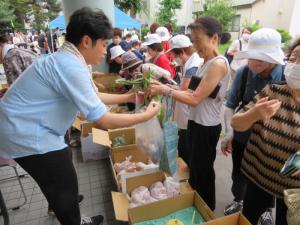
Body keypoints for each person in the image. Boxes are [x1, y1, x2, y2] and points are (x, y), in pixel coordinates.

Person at [0, 7, 160, 225]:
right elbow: (103, 120)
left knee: (63, 175)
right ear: (87, 41)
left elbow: (94, 96)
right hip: (26, 134)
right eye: (104, 44)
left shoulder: (68, 59)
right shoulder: (70, 65)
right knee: (65, 189)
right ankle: (72, 218)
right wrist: (145, 116)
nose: (106, 51)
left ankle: (68, 210)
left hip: (31, 128)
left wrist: (130, 98)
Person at [149, 16, 230, 210]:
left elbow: (194, 99)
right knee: (195, 171)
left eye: (198, 40)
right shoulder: (204, 63)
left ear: (214, 38)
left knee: (203, 174)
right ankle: (196, 207)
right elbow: (190, 93)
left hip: (206, 127)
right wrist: (164, 86)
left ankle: (206, 210)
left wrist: (164, 90)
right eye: (193, 40)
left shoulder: (218, 64)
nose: (195, 45)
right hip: (195, 123)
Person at [230, 37, 300, 225]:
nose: (295, 65)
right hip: (258, 176)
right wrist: (254, 113)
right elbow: (236, 124)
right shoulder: (273, 91)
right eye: (293, 58)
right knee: (248, 218)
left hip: (293, 189)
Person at [221, 28, 287, 225]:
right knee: (239, 173)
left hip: (273, 146)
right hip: (243, 137)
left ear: (274, 59)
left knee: (269, 181)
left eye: (260, 59)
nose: (252, 63)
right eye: (251, 57)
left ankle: (266, 210)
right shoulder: (243, 74)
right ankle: (238, 200)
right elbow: (230, 105)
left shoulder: (287, 77)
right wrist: (229, 133)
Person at [166, 34, 203, 164]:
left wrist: (166, 89)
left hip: (188, 114)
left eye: (175, 55)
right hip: (185, 113)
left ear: (182, 52)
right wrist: (172, 86)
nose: (175, 59)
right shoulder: (190, 62)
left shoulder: (193, 64)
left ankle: (186, 177)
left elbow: (185, 89)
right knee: (184, 144)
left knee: (185, 148)